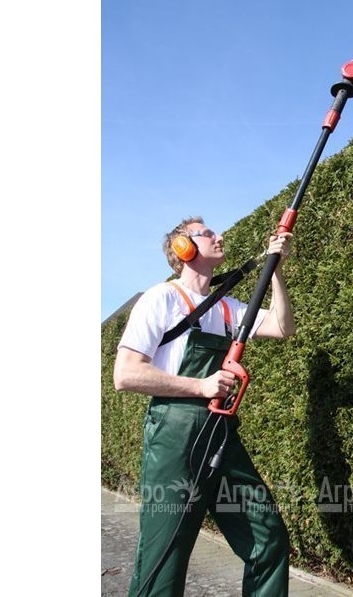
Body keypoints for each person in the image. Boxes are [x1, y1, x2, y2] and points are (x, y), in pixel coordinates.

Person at [113, 216, 295, 596]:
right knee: (165, 558)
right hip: (174, 437)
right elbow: (126, 374)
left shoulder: (227, 307)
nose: (219, 235)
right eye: (208, 232)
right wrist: (201, 385)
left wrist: (276, 269)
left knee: (268, 537)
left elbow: (282, 327)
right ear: (183, 247)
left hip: (220, 435)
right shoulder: (161, 298)